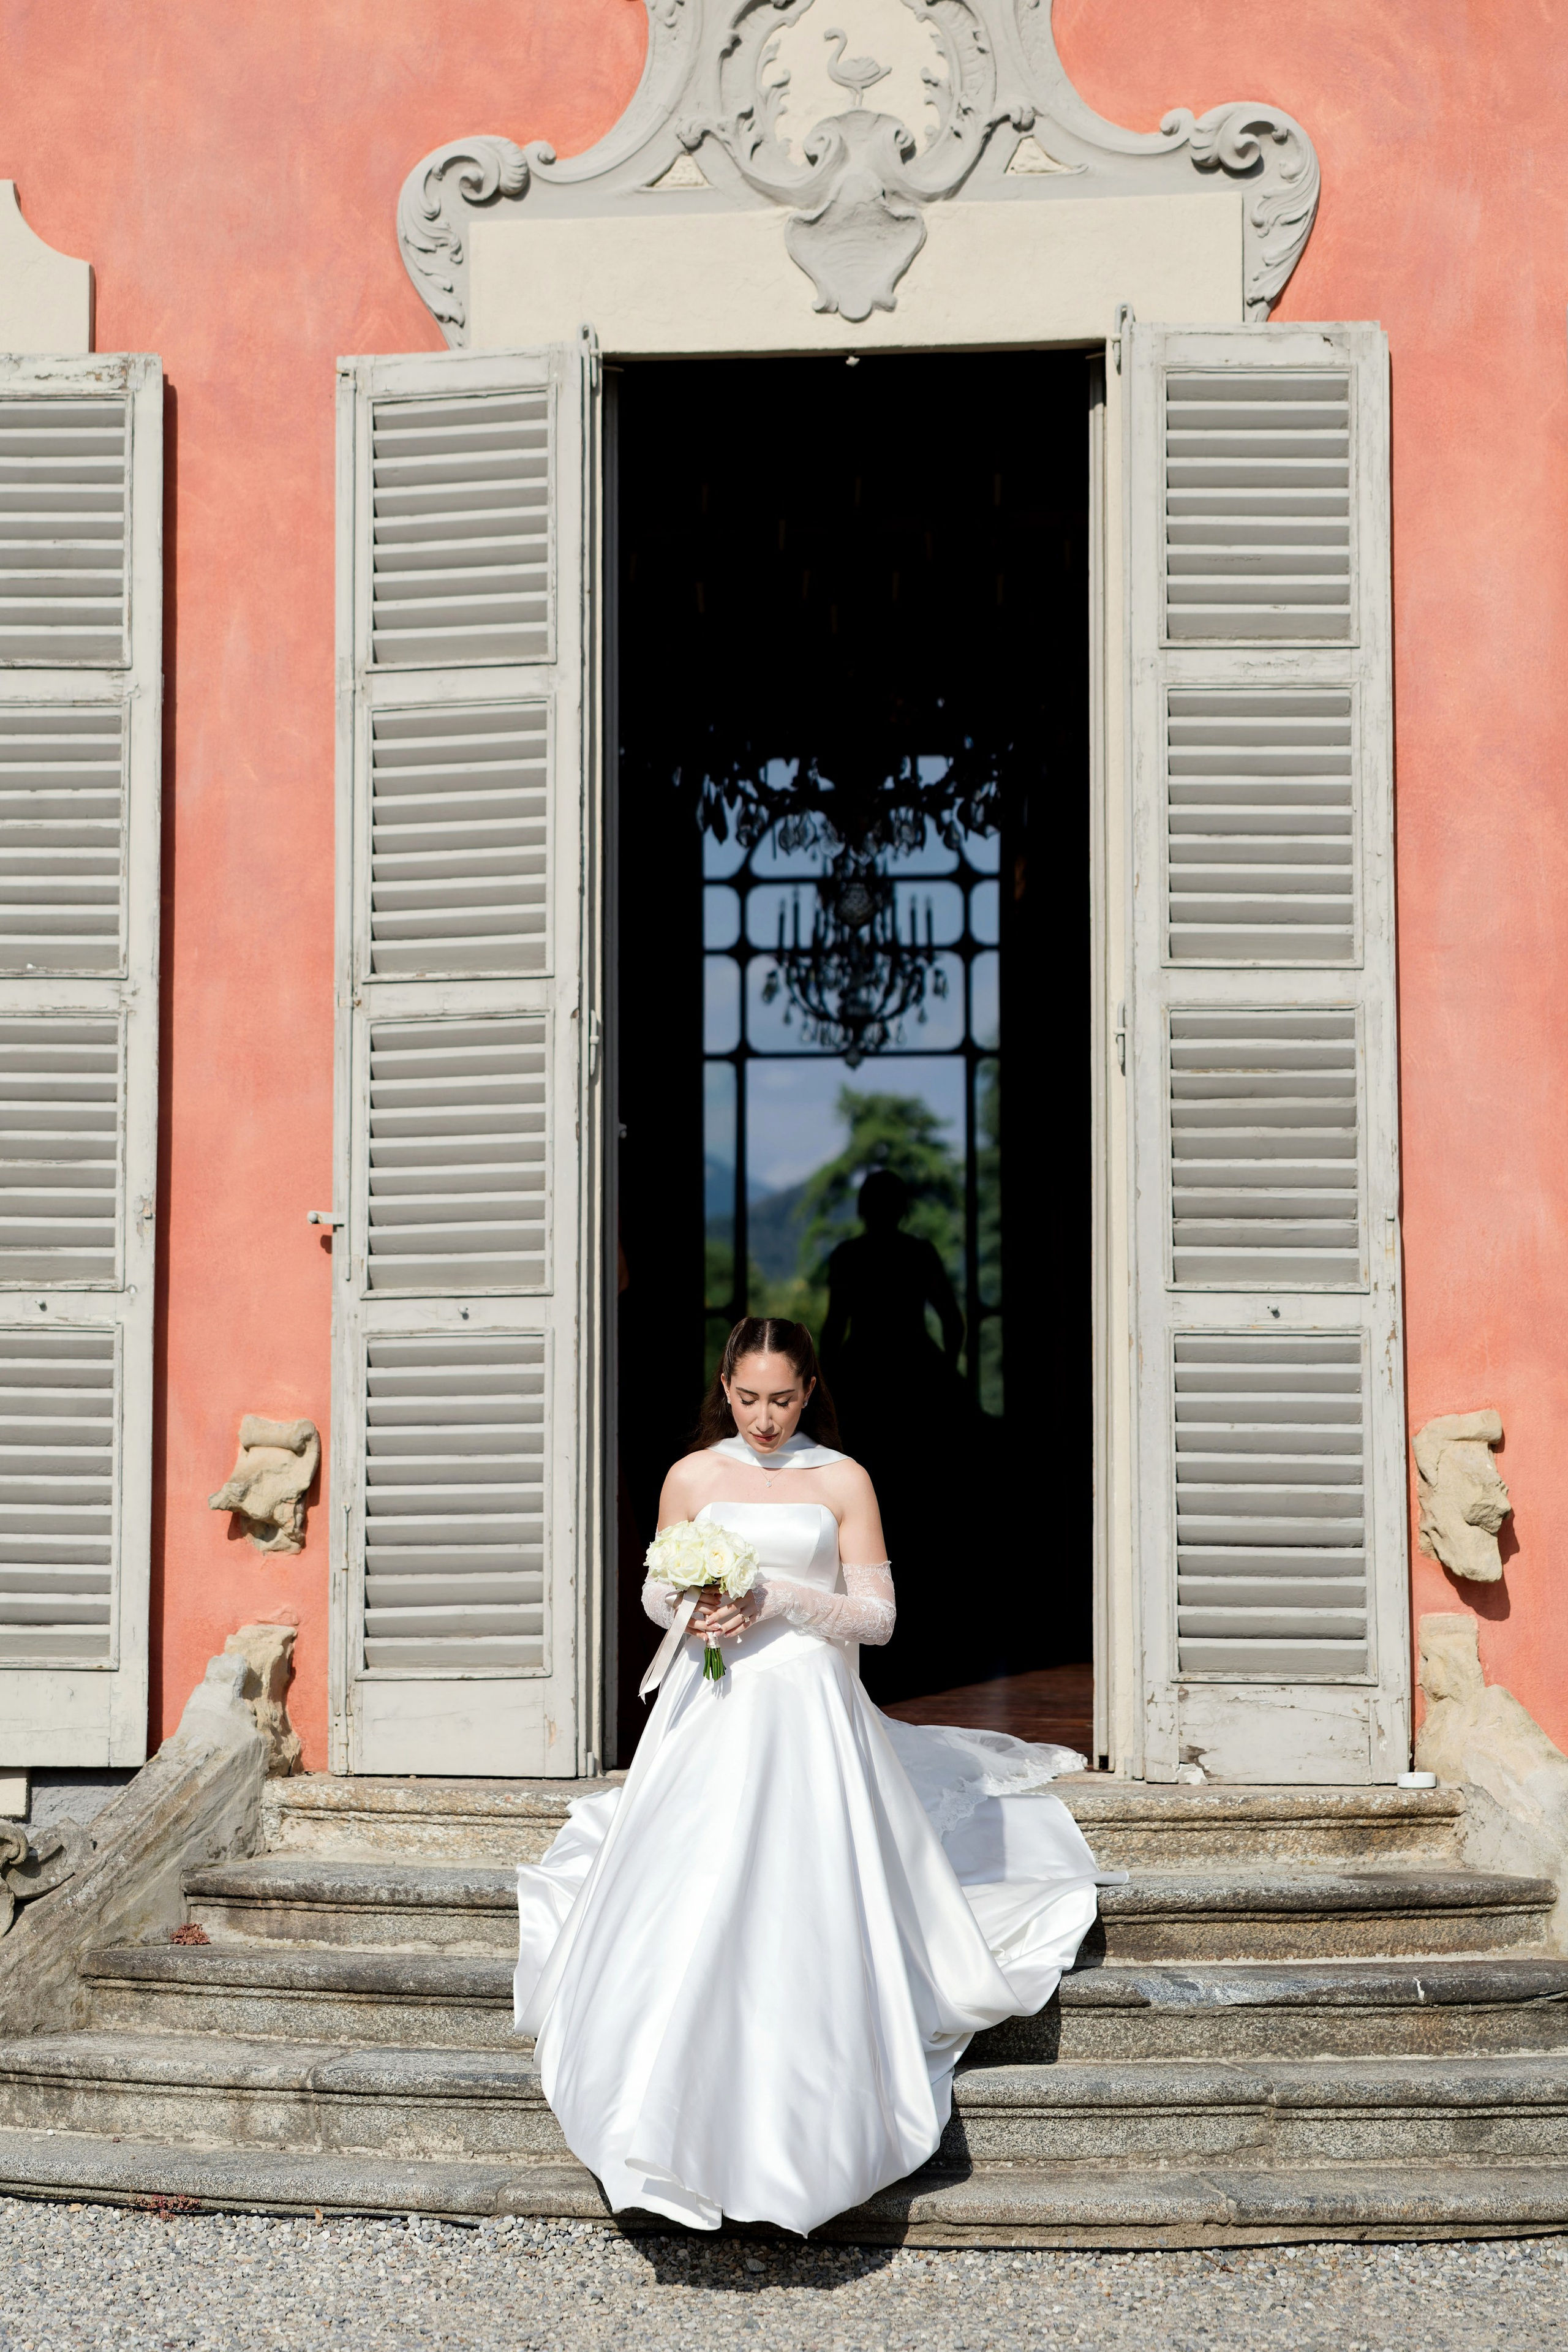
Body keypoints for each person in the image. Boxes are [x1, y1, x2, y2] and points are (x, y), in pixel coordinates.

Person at [513, 1317, 1118, 2237]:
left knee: (799, 1878)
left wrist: (775, 1597)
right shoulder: (691, 1475)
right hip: (708, 1703)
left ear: (808, 1391)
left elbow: (877, 1618)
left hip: (806, 1701)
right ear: (725, 1386)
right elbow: (652, 1590)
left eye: (782, 1399)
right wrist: (694, 1608)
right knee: (693, 1873)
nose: (764, 1417)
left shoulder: (842, 1478)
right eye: (749, 1398)